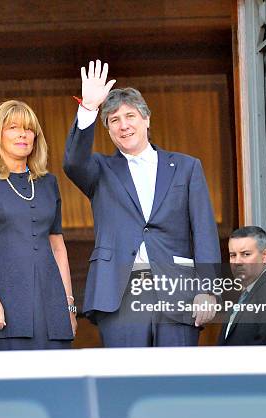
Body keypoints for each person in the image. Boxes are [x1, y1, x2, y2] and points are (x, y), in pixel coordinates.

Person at [63, 60, 221, 347]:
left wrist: (207, 289)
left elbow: (204, 231)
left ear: (146, 119)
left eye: (130, 116)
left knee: (175, 383)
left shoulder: (186, 168)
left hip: (178, 290)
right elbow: (73, 162)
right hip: (119, 293)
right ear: (108, 130)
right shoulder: (100, 169)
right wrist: (88, 108)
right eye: (114, 120)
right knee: (126, 383)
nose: (123, 125)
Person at [0, 100, 76, 350]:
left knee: (58, 387)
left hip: (53, 310)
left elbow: (58, 248)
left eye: (29, 129)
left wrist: (69, 307)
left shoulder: (48, 183)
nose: (23, 134)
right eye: (13, 127)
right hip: (3, 308)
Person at [217, 226, 266, 345]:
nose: (237, 262)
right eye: (233, 255)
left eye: (245, 254)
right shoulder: (243, 294)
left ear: (265, 256)